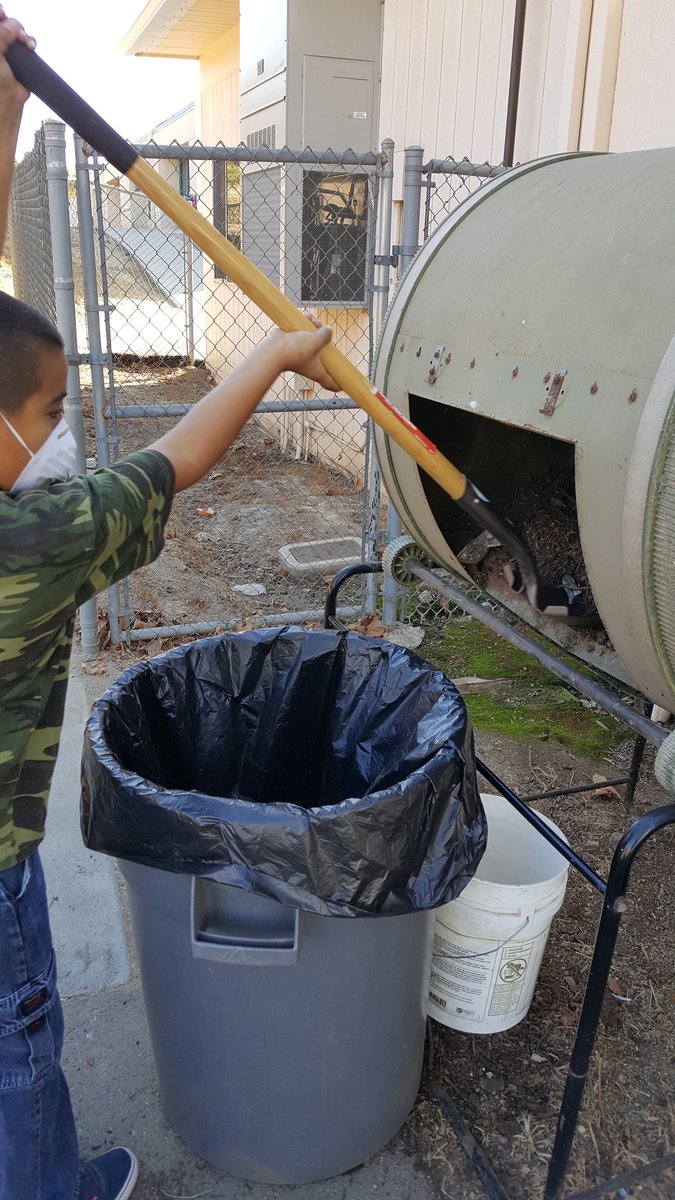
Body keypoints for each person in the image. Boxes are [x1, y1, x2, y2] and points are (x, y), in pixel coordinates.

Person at [0, 11, 338, 1199]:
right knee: (18, 1047)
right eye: (50, 415)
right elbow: (179, 459)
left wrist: (9, 106)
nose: (62, 435)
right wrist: (274, 357)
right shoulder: (35, 539)